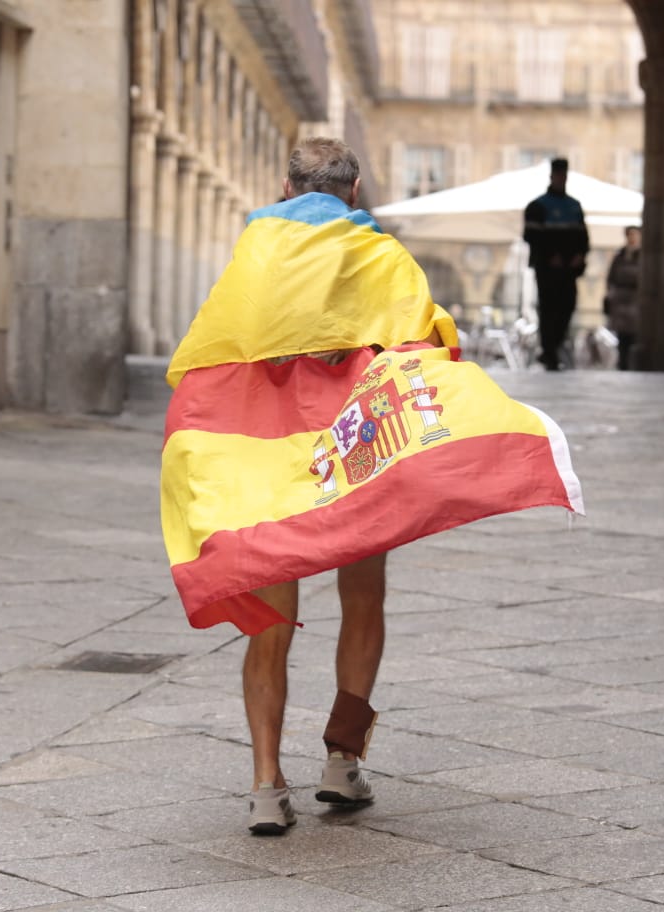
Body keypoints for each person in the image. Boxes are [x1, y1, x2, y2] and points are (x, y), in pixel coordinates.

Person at [162, 137, 455, 835]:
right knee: (364, 597)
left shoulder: (257, 251)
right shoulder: (378, 253)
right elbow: (424, 346)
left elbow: (209, 350)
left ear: (288, 187)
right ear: (353, 192)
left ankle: (266, 784)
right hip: (354, 452)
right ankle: (342, 761)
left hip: (266, 458)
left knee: (270, 621)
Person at [523, 158, 590, 371]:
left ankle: (556, 346)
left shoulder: (573, 206)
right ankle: (549, 351)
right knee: (549, 309)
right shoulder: (537, 206)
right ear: (552, 176)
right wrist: (549, 255)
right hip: (548, 268)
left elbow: (583, 236)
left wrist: (580, 255)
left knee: (567, 307)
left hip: (568, 268)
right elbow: (531, 236)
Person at [604, 225, 641, 370]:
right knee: (622, 335)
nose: (632, 238)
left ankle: (633, 363)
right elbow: (611, 277)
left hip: (636, 299)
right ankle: (623, 362)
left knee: (635, 333)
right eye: (629, 235)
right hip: (620, 299)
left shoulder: (644, 256)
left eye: (634, 235)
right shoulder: (620, 256)